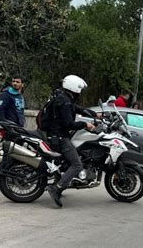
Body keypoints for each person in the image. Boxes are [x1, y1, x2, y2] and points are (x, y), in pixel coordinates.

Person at [46, 75, 97, 208]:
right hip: (60, 138)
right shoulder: (65, 102)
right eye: (80, 89)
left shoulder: (63, 98)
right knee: (77, 164)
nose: (80, 92)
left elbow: (77, 108)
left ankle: (61, 181)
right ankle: (56, 188)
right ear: (74, 87)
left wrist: (95, 114)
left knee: (68, 162)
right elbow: (68, 124)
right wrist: (85, 125)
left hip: (55, 135)